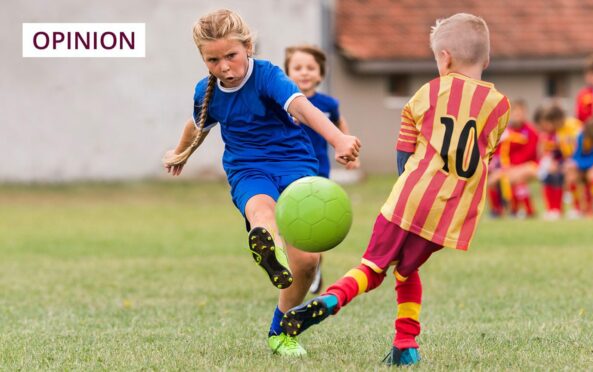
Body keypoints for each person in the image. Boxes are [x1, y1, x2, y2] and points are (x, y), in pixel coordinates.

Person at [281, 13, 510, 366]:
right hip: (451, 212)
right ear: (487, 60)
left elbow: (405, 149)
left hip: (411, 199)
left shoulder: (430, 91)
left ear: (444, 58)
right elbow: (487, 155)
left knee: (372, 267)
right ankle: (406, 344)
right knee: (406, 271)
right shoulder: (500, 106)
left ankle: (330, 299)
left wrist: (407, 181)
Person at [162, 9, 361, 357]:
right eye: (213, 60)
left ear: (248, 47)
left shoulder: (268, 75)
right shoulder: (206, 91)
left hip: (295, 165)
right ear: (202, 59)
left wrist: (338, 139)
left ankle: (281, 329)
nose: (224, 66)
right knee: (261, 208)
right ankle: (266, 245)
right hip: (247, 168)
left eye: (231, 56)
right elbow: (197, 125)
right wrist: (180, 154)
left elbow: (301, 107)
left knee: (309, 261)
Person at [284, 44, 360, 294]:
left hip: (318, 174)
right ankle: (294, 264)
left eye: (310, 68)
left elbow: (339, 122)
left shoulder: (328, 103)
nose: (304, 73)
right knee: (290, 223)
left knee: (315, 224)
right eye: (297, 68)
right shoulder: (282, 102)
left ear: (320, 74)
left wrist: (348, 150)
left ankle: (314, 265)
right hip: (287, 170)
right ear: (287, 73)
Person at [487, 99, 538, 217]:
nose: (517, 116)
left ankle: (525, 210)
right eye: (515, 113)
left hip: (529, 165)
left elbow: (529, 154)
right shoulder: (505, 131)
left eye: (520, 113)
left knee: (513, 178)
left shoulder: (531, 132)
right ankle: (497, 210)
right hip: (508, 167)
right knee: (493, 179)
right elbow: (498, 151)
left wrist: (511, 165)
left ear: (525, 114)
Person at [536, 104, 581, 219]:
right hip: (566, 161)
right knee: (549, 175)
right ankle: (554, 209)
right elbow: (560, 150)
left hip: (579, 160)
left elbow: (581, 146)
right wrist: (554, 162)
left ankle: (577, 208)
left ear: (556, 120)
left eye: (551, 122)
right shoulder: (558, 131)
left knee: (569, 173)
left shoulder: (573, 125)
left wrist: (572, 161)